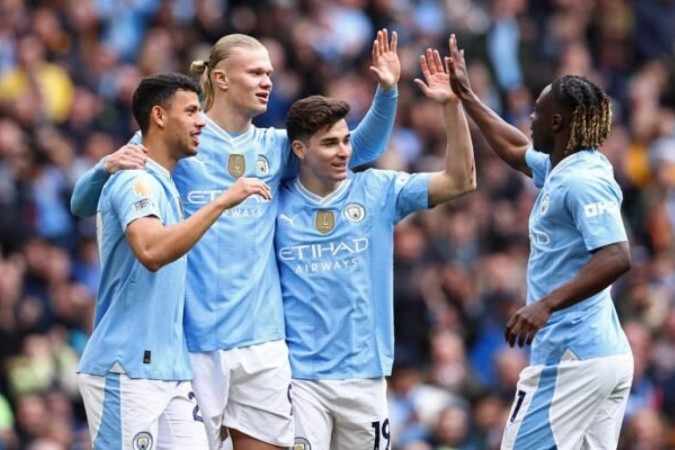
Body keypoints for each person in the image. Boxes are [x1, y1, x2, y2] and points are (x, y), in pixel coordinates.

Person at [70, 29, 401, 450]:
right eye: (257, 72)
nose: (268, 82)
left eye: (271, 73)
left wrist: (387, 91)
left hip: (262, 340)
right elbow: (83, 203)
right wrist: (103, 167)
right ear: (222, 78)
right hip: (192, 341)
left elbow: (359, 149)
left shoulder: (275, 147)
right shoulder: (181, 137)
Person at [276, 38, 475, 450]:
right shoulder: (272, 203)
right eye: (329, 143)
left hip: (364, 378)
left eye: (346, 141)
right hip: (298, 379)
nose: (343, 152)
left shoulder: (377, 190)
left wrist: (452, 108)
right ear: (299, 149)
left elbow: (460, 180)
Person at [447, 36, 634, 449]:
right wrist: (468, 96)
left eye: (536, 112)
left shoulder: (584, 181)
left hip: (573, 360)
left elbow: (618, 255)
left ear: (556, 124)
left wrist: (544, 304)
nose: (529, 119)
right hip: (600, 358)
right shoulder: (562, 167)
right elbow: (515, 149)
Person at [77, 73, 271, 449]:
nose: (201, 120)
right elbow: (151, 252)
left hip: (171, 370)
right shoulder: (136, 180)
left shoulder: (164, 179)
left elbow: (80, 204)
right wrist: (221, 202)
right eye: (192, 111)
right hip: (126, 369)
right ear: (160, 117)